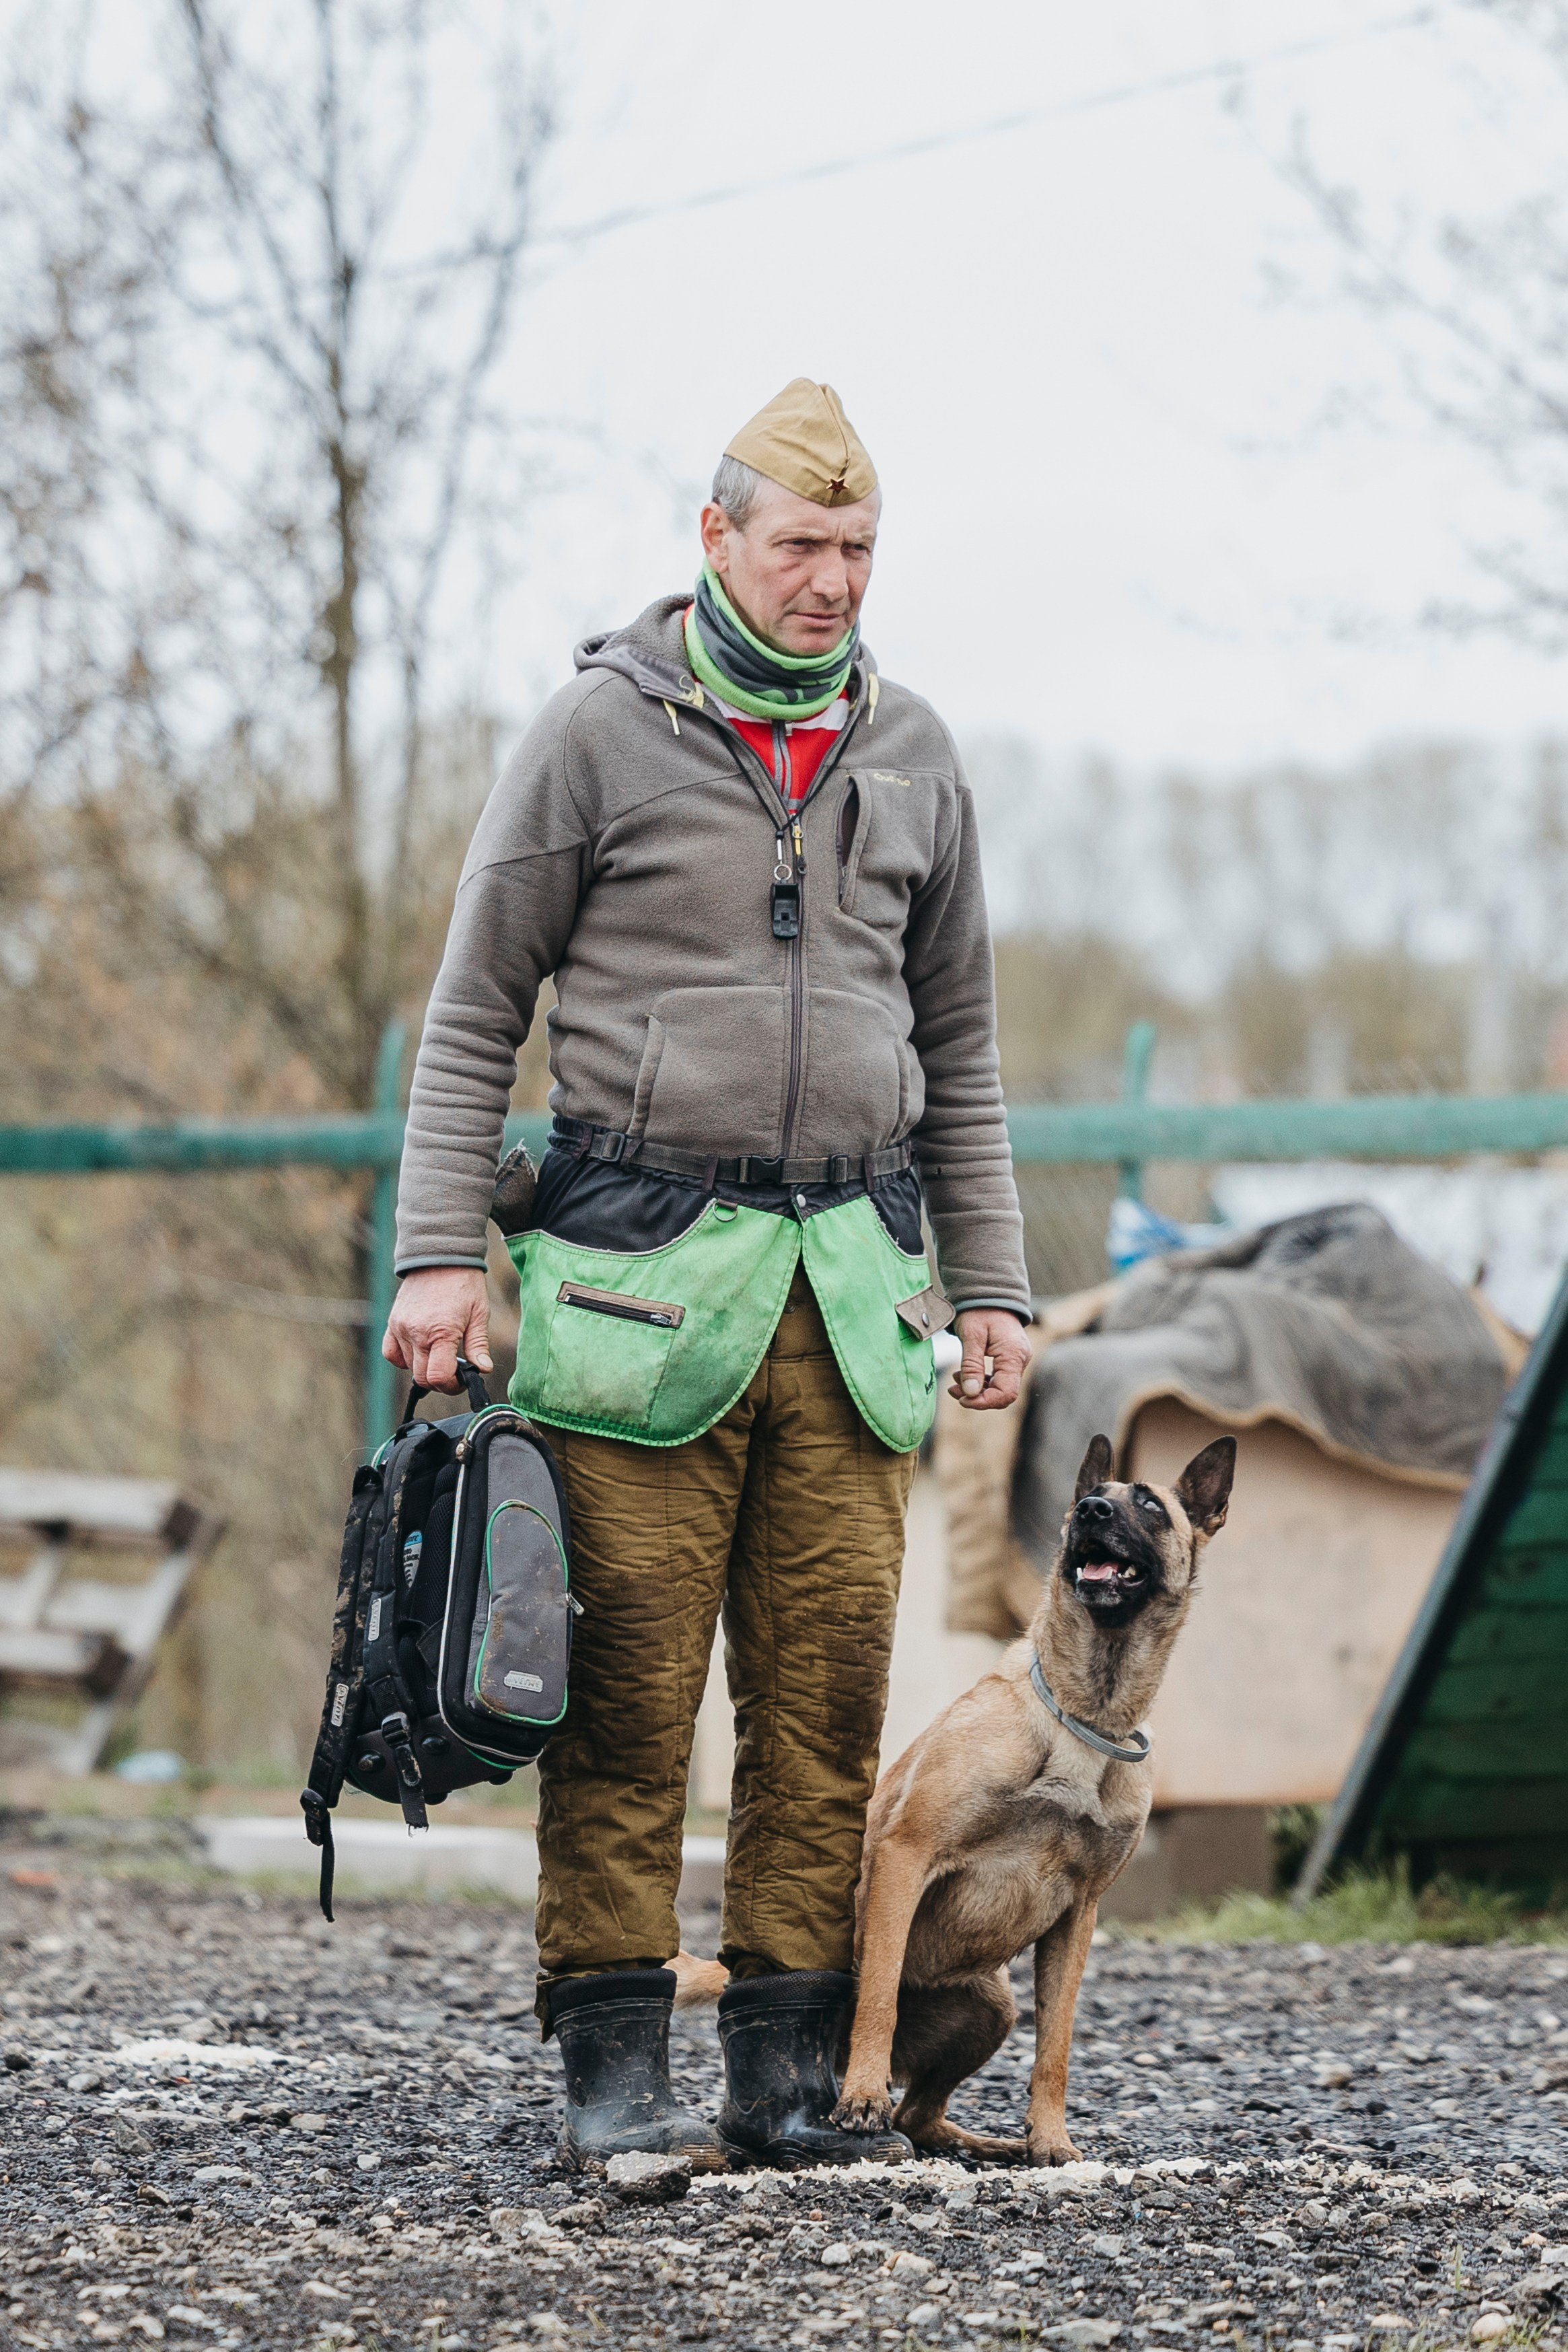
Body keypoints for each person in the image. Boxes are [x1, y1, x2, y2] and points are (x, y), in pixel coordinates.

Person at [384, 379, 1032, 2171]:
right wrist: (442, 1253)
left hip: (857, 1293)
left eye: (856, 548)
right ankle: (609, 2064)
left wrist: (993, 1286)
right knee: (628, 1689)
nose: (830, 580)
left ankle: (781, 2067)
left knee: (823, 1692)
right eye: (799, 545)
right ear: (716, 543)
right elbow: (469, 1018)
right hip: (632, 1297)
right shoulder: (594, 735)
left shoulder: (913, 753)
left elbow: (961, 1046)